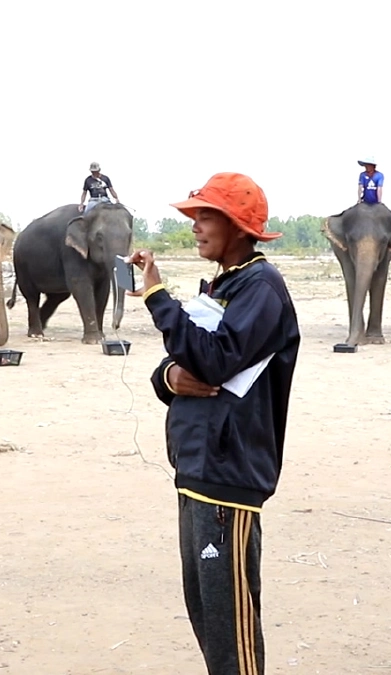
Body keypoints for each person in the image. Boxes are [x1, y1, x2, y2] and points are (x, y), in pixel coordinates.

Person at [129, 172, 301, 675]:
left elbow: (215, 359)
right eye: (196, 216)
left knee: (232, 630)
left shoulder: (261, 289)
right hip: (199, 473)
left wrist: (158, 296)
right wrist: (167, 377)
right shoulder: (226, 284)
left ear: (238, 226)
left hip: (229, 479)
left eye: (206, 217)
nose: (196, 227)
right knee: (208, 615)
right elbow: (185, 369)